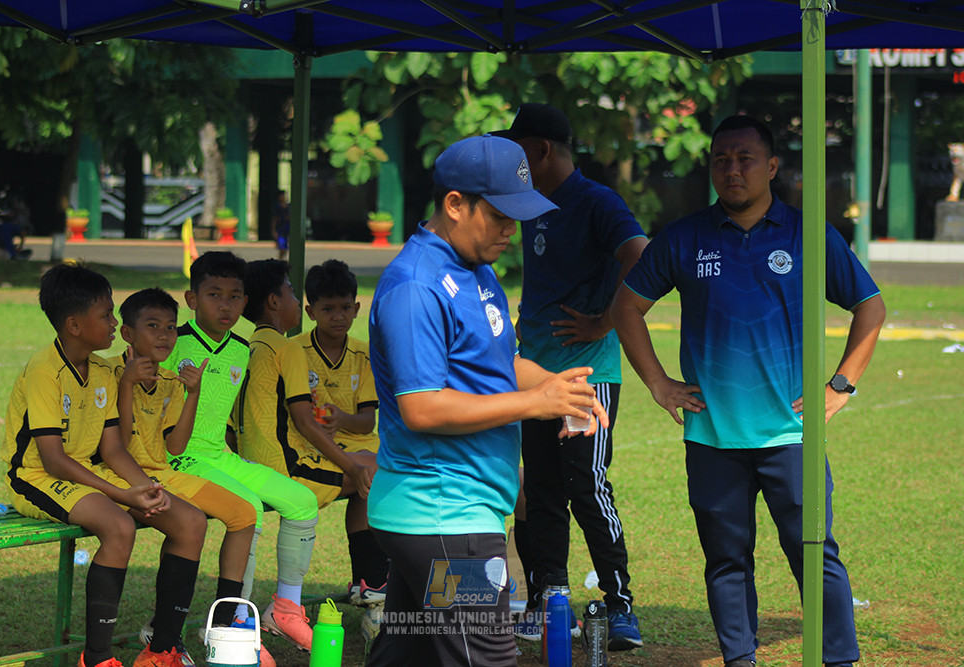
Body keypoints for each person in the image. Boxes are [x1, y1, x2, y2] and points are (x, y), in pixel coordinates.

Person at [610, 114, 885, 667]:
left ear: (772, 166)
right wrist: (660, 385)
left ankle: (839, 659)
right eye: (721, 160)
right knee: (726, 558)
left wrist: (841, 386)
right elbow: (627, 307)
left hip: (790, 433)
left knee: (814, 554)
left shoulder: (809, 234)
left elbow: (870, 307)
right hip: (713, 435)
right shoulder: (685, 237)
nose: (731, 170)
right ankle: (741, 659)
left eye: (745, 159)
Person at [366, 134, 608, 666]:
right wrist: (533, 404)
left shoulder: (476, 268)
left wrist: (558, 389)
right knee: (488, 659)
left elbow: (496, 363)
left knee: (406, 658)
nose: (510, 231)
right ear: (455, 204)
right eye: (499, 215)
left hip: (448, 517)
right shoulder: (415, 287)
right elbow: (422, 408)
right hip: (444, 519)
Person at [0, 262, 207, 667]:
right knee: (119, 525)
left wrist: (146, 486)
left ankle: (161, 650)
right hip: (37, 476)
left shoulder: (101, 370)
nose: (115, 324)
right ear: (75, 325)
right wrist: (121, 494)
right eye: (107, 315)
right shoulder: (45, 370)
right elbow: (53, 460)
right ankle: (97, 659)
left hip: (89, 472)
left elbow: (113, 449)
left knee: (190, 522)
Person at [494, 102, 647, 649]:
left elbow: (643, 257)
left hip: (587, 376)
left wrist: (607, 319)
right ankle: (547, 599)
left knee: (587, 485)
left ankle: (619, 603)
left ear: (541, 150)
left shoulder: (596, 202)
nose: (513, 163)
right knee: (537, 492)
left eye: (518, 152)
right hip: (531, 376)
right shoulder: (529, 203)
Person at [159, 251, 320, 655]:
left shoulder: (240, 350)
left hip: (218, 454)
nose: (225, 305)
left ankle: (285, 608)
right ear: (192, 299)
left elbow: (229, 415)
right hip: (178, 457)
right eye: (214, 295)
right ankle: (231, 625)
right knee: (246, 506)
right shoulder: (173, 345)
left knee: (302, 501)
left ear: (245, 302)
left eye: (234, 296)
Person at [109, 288, 259, 666]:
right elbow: (118, 445)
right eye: (153, 326)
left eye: (171, 328)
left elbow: (175, 446)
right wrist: (126, 383)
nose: (164, 336)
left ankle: (224, 624)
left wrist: (192, 392)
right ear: (128, 334)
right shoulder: (110, 372)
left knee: (244, 515)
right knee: (190, 523)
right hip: (117, 474)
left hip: (162, 470)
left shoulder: (171, 379)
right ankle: (164, 639)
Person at [236, 258, 383, 641]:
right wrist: (350, 465)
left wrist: (342, 421)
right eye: (327, 308)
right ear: (306, 310)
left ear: (356, 308)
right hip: (294, 457)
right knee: (373, 473)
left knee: (378, 466)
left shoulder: (361, 354)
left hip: (318, 449)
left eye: (344, 308)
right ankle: (368, 586)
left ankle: (370, 584)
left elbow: (366, 421)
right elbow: (301, 421)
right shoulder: (291, 349)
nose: (338, 316)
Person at [272, 190, 290, 260]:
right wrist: (273, 230)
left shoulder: (289, 206)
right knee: (282, 247)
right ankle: (280, 260)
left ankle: (281, 260)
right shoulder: (278, 207)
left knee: (286, 247)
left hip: (288, 228)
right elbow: (275, 219)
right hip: (281, 229)